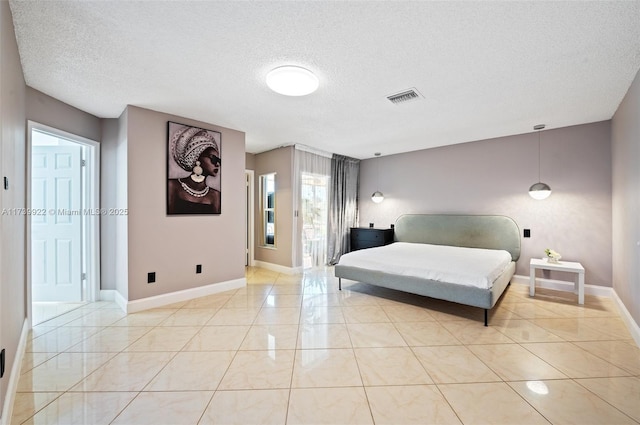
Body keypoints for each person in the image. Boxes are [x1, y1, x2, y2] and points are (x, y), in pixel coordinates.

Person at [167, 125, 221, 214]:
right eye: (213, 159)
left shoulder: (215, 195)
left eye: (219, 160)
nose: (217, 164)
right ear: (197, 158)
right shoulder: (173, 186)